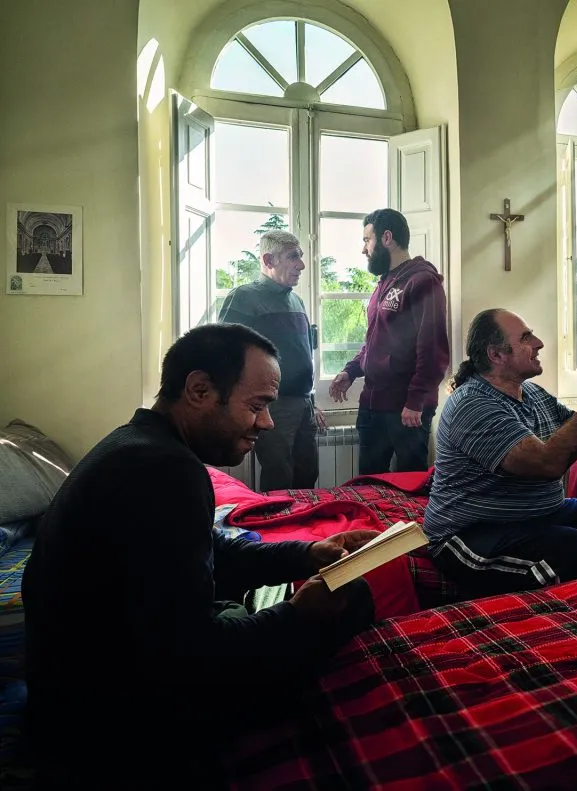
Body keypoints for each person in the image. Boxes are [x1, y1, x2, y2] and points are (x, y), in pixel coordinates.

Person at [22, 323, 378, 788]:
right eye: (257, 405)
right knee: (352, 599)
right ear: (199, 390)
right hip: (113, 723)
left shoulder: (136, 445)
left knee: (303, 595)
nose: (267, 423)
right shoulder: (167, 471)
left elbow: (209, 552)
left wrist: (308, 553)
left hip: (74, 694)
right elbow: (192, 656)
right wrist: (297, 615)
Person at [423, 308, 577, 596]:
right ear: (496, 355)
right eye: (526, 337)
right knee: (569, 548)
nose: (539, 343)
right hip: (470, 533)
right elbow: (548, 464)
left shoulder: (534, 394)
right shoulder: (472, 404)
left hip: (541, 515)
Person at [328, 209, 449, 474]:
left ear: (387, 238)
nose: (364, 249)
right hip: (372, 406)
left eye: (367, 240)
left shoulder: (423, 281)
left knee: (409, 486)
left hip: (406, 410)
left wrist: (415, 401)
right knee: (369, 484)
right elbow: (374, 342)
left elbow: (433, 350)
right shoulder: (383, 284)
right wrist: (350, 371)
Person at [219, 229, 324, 491]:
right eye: (293, 257)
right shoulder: (243, 298)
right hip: (272, 407)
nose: (301, 265)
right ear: (268, 260)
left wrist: (312, 401)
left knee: (308, 473)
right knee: (279, 476)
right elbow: (224, 354)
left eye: (300, 256)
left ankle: (307, 520)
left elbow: (302, 356)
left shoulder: (297, 301)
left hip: (303, 404)